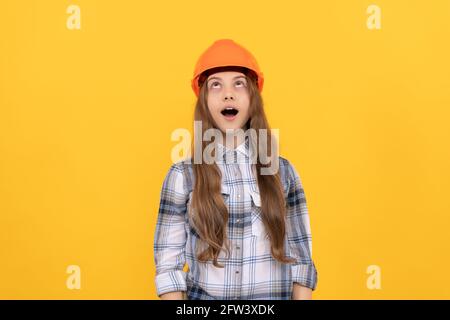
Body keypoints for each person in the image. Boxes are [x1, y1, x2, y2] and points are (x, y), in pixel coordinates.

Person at [154, 39, 318, 300]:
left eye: (238, 83)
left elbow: (302, 265)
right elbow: (168, 268)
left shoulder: (283, 172)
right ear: (204, 100)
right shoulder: (182, 176)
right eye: (215, 85)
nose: (228, 94)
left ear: (253, 97)